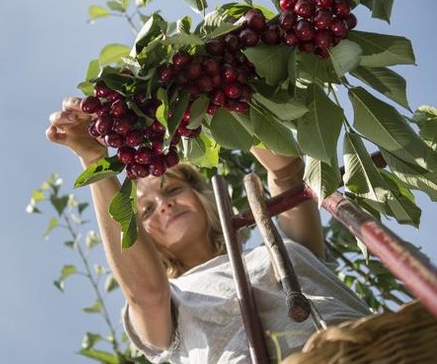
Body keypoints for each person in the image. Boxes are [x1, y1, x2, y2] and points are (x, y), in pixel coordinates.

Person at [46, 96, 369, 363]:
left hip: (368, 349)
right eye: (145, 210)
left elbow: (287, 173)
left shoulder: (280, 248)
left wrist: (215, 101)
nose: (163, 205)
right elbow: (145, 292)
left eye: (172, 191)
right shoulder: (173, 302)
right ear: (141, 236)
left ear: (201, 199)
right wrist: (94, 160)